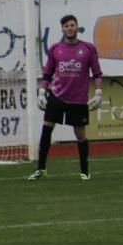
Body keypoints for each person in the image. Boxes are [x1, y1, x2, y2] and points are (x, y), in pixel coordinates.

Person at [27, 14, 103, 181]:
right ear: (62, 29)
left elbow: (97, 74)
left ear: (77, 27)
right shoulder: (55, 49)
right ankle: (41, 169)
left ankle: (84, 172)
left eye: (72, 25)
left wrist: (98, 93)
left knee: (80, 134)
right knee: (47, 128)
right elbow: (47, 73)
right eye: (66, 26)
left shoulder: (88, 48)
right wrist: (41, 92)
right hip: (57, 96)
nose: (69, 28)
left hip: (78, 99)